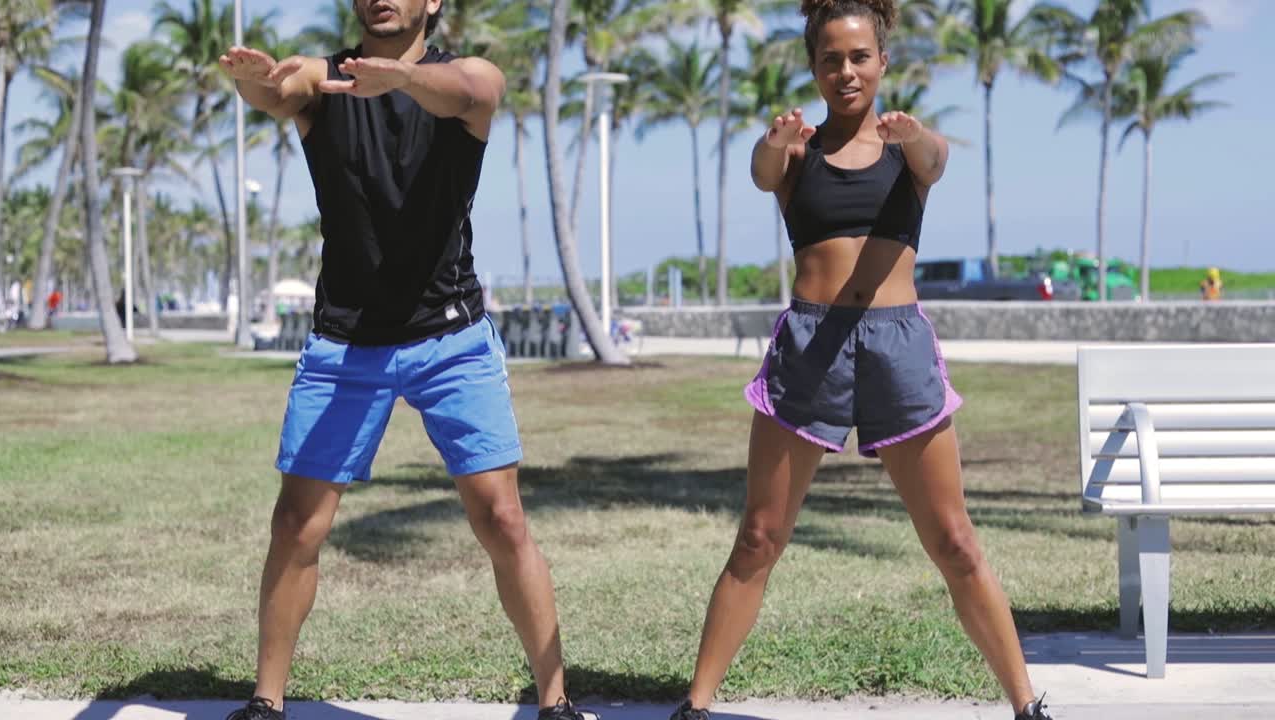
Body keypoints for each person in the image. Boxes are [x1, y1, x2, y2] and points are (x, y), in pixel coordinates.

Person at [668, 2, 1054, 719]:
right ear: (814, 66)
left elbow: (936, 160)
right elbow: (761, 174)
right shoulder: (797, 152)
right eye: (830, 59)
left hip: (896, 346)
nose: (845, 72)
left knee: (954, 541)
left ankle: (1027, 706)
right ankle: (695, 707)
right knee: (758, 537)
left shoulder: (909, 149)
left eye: (859, 57)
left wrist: (914, 134)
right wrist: (775, 140)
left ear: (882, 60)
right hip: (810, 346)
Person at [217, 2, 592, 719]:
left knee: (502, 519)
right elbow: (279, 90)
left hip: (452, 337)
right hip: (345, 341)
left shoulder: (466, 75)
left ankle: (555, 703)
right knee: (296, 525)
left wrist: (401, 79)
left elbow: (475, 92)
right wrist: (254, 81)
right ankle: (265, 704)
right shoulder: (324, 80)